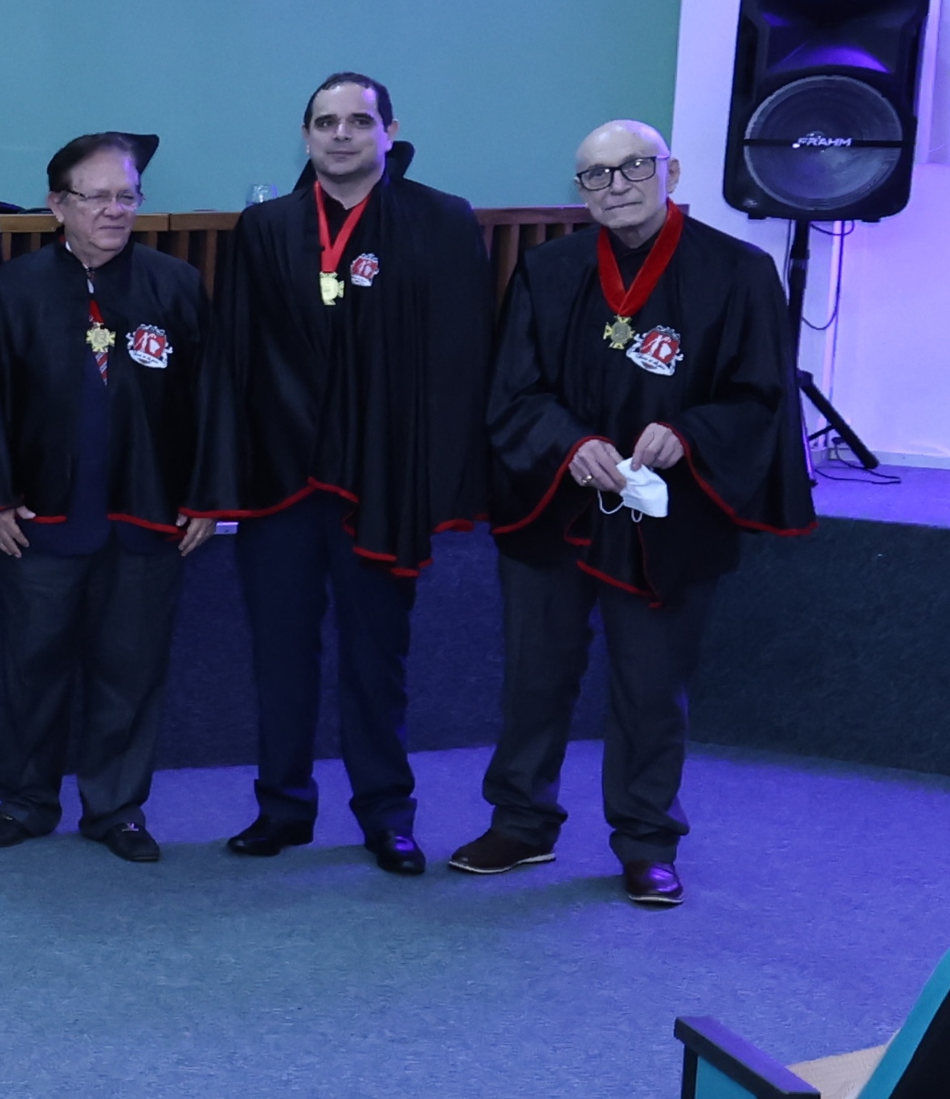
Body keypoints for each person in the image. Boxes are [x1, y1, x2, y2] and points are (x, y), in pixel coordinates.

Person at [453, 121, 812, 909]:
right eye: (595, 175)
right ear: (579, 190)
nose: (615, 186)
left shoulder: (740, 273)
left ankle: (647, 839)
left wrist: (688, 435)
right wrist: (569, 440)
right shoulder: (548, 271)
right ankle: (521, 821)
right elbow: (513, 392)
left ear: (670, 169)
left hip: (671, 515)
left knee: (652, 686)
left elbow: (760, 398)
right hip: (558, 504)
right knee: (535, 676)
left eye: (633, 167)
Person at [191, 72, 493, 876]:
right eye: (325, 122)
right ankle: (282, 808)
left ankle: (387, 815)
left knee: (375, 657)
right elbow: (235, 359)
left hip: (381, 482)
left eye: (359, 121)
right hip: (282, 482)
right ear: (306, 135)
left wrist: (434, 479)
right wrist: (226, 478)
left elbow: (461, 363)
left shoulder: (441, 221)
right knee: (280, 655)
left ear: (390, 131)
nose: (341, 135)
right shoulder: (264, 228)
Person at [0, 134, 212, 861]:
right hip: (43, 521)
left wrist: (206, 498)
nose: (115, 210)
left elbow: (210, 404)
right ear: (58, 204)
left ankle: (117, 807)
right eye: (97, 196)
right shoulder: (16, 287)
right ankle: (26, 800)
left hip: (146, 517)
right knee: (32, 669)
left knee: (131, 670)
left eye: (127, 195)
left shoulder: (176, 286)